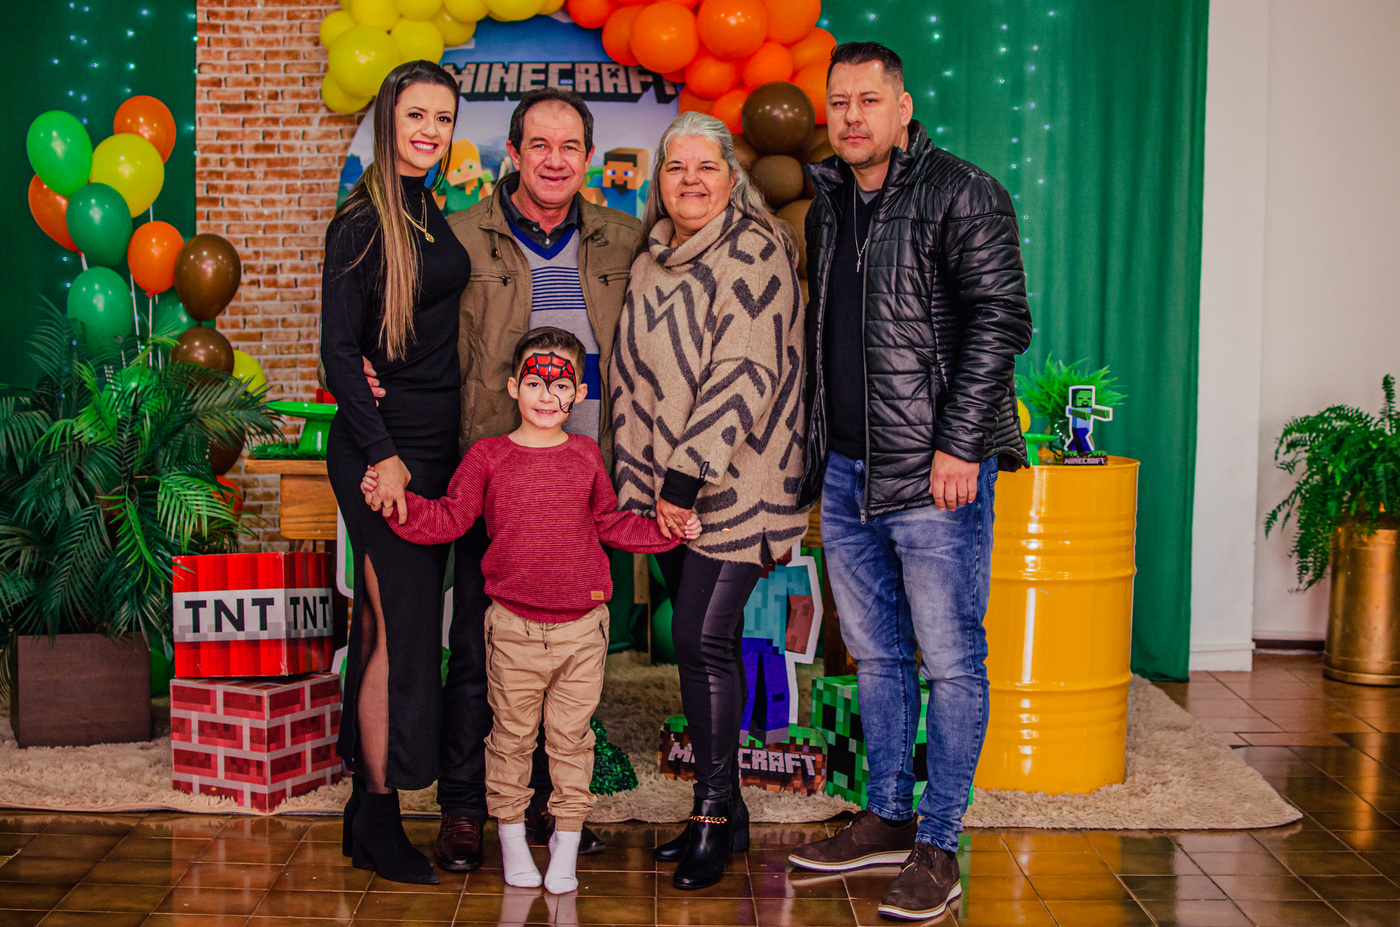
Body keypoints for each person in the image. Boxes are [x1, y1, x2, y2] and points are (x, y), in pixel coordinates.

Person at [359, 88, 643, 871]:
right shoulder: (457, 237)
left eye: (570, 147)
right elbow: (406, 329)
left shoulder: (625, 239)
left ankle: (552, 802)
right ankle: (464, 806)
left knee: (573, 656)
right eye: (538, 145)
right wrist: (367, 367)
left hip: (586, 481)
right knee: (478, 650)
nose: (555, 160)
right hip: (494, 475)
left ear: (588, 157)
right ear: (512, 153)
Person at [784, 43, 1033, 921]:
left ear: (903, 107)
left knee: (952, 659)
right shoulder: (829, 203)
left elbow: (1001, 317)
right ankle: (887, 814)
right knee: (878, 654)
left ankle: (939, 842)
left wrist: (960, 444)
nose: (851, 116)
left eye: (868, 100)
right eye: (838, 102)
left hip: (936, 474)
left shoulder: (962, 191)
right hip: (848, 470)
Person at [362, 327, 698, 893]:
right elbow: (450, 517)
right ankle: (512, 839)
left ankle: (565, 843)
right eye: (536, 382)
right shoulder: (487, 456)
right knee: (511, 740)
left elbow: (610, 524)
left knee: (571, 742)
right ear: (514, 386)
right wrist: (398, 506)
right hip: (513, 627)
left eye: (561, 384)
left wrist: (669, 532)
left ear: (579, 393)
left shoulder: (586, 455)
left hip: (582, 630)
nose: (548, 394)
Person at [609, 111, 809, 891]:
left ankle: (713, 815)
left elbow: (744, 373)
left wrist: (682, 481)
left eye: (706, 166)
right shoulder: (652, 258)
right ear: (659, 180)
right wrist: (644, 491)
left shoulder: (756, 248)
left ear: (733, 177)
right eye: (675, 166)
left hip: (742, 482)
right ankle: (731, 814)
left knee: (697, 637)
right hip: (667, 492)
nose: (690, 180)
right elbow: (633, 380)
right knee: (706, 646)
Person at [319, 60, 468, 886]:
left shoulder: (426, 206)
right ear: (387, 119)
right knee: (398, 635)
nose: (430, 131)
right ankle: (381, 816)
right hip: (389, 451)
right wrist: (383, 458)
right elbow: (338, 351)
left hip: (432, 445)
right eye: (416, 115)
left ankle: (360, 808)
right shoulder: (362, 220)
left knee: (382, 628)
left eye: (443, 118)